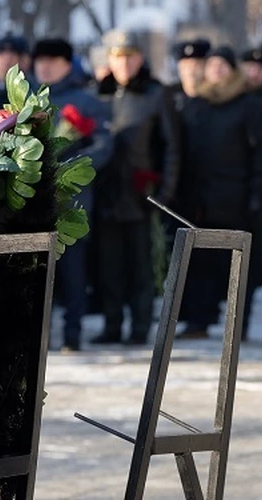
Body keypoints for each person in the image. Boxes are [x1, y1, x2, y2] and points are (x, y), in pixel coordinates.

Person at [176, 47, 262, 340]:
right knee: (200, 262)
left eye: (224, 65)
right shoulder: (196, 104)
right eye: (213, 64)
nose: (217, 70)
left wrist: (257, 192)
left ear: (234, 71)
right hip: (199, 199)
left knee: (237, 265)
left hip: (237, 198)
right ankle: (199, 321)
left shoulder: (249, 106)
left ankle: (237, 325)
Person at [93, 30, 181, 346]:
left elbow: (171, 146)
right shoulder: (99, 94)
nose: (124, 63)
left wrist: (164, 191)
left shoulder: (155, 94)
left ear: (140, 59)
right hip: (106, 191)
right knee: (109, 265)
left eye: (130, 56)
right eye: (118, 56)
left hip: (140, 194)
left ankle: (140, 325)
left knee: (140, 265)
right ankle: (112, 323)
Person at [31, 38, 113, 351]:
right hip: (31, 201)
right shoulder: (26, 99)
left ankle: (73, 334)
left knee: (73, 271)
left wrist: (70, 169)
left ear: (67, 64)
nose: (45, 66)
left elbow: (104, 145)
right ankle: (37, 338)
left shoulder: (85, 101)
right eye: (40, 60)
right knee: (34, 271)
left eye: (53, 60)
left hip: (72, 200)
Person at [171, 38, 210, 111]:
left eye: (196, 65)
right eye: (186, 66)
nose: (191, 71)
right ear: (179, 69)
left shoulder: (215, 96)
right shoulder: (168, 97)